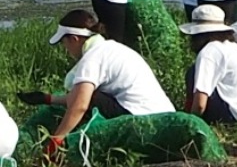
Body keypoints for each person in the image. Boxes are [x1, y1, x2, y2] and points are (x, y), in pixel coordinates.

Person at [19, 9, 174, 156]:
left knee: (90, 98)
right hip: (162, 114)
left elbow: (80, 105)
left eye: (64, 43)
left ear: (74, 39)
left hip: (141, 116)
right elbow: (79, 96)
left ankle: (70, 147)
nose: (66, 49)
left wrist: (56, 140)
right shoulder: (112, 48)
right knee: (86, 95)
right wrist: (47, 99)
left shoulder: (92, 58)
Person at [181, 5, 237, 130]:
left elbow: (200, 104)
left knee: (192, 73)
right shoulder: (236, 48)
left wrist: (190, 126)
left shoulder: (210, 51)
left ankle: (189, 118)